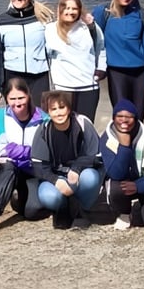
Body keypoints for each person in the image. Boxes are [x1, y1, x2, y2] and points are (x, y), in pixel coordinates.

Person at [0, 78, 48, 238]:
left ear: (28, 96)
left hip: (33, 170)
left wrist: (17, 151)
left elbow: (43, 150)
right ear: (6, 99)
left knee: (32, 212)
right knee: (9, 167)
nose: (17, 103)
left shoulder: (43, 118)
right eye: (12, 99)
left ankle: (17, 197)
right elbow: (0, 148)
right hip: (8, 168)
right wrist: (28, 151)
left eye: (21, 98)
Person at [92, 0, 144, 120]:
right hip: (116, 73)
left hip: (139, 74)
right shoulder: (104, 13)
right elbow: (92, 41)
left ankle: (138, 144)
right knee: (122, 117)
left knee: (138, 118)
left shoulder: (142, 15)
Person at [30, 90, 102, 229]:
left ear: (69, 108)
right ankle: (62, 209)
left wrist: (76, 168)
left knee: (91, 178)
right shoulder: (43, 129)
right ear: (48, 112)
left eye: (62, 107)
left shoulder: (82, 123)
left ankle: (82, 209)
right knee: (48, 197)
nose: (58, 113)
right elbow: (38, 166)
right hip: (56, 176)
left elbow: (96, 155)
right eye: (53, 109)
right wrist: (55, 180)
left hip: (80, 174)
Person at [100, 98, 144, 233]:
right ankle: (124, 213)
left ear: (136, 119)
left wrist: (139, 186)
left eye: (129, 117)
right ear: (113, 118)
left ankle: (143, 207)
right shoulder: (106, 139)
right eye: (119, 116)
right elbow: (115, 173)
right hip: (122, 185)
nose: (124, 121)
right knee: (116, 186)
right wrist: (124, 147)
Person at [44, 0, 106, 122]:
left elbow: (101, 48)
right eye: (66, 8)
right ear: (60, 9)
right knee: (64, 127)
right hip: (63, 87)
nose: (70, 12)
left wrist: (101, 70)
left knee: (85, 127)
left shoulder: (89, 28)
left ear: (79, 10)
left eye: (74, 8)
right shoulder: (50, 30)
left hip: (88, 87)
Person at [0, 0, 55, 106]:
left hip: (39, 75)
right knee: (18, 114)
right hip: (13, 74)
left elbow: (53, 47)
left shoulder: (42, 17)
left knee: (40, 115)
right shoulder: (0, 21)